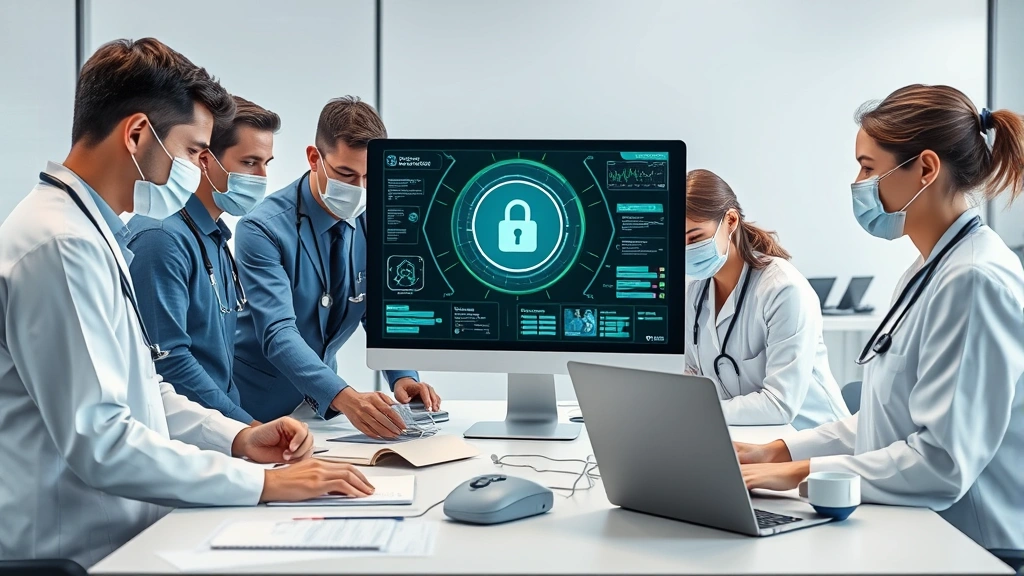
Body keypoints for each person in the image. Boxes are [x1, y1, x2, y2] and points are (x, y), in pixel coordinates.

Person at [0, 39, 375, 567]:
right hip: (78, 552)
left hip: (126, 535)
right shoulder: (60, 245)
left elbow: (143, 392)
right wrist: (263, 482)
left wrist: (238, 437)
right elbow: (102, 440)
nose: (198, 168)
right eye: (194, 150)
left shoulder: (90, 235)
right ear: (136, 135)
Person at [736, 84, 1024, 553]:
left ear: (926, 169)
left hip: (972, 544)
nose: (858, 183)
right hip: (916, 526)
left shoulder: (974, 280)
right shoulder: (929, 267)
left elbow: (940, 463)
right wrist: (778, 450)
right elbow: (886, 424)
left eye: (868, 167)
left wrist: (795, 474)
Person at [233, 96, 439, 438]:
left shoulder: (380, 220)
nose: (359, 189)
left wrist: (403, 376)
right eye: (345, 174)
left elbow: (377, 311)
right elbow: (278, 333)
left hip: (321, 408)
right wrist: (347, 398)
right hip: (256, 409)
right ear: (315, 158)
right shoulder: (262, 228)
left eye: (370, 176)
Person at [127, 96, 280, 424]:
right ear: (206, 161)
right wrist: (244, 429)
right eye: (250, 163)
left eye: (267, 163)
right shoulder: (161, 237)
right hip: (184, 439)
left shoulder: (215, 238)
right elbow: (170, 363)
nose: (262, 177)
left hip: (221, 432)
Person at [684, 169, 849, 429]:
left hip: (813, 444)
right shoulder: (696, 294)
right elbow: (693, 383)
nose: (688, 250)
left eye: (695, 237)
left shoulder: (783, 290)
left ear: (730, 220)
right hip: (750, 439)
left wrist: (701, 411)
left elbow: (779, 404)